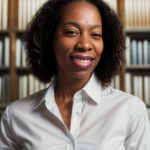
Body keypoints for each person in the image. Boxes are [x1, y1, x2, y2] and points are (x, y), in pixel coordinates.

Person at [0, 0, 150, 149]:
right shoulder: (16, 115)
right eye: (72, 32)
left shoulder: (130, 109)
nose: (85, 45)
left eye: (96, 34)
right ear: (50, 39)